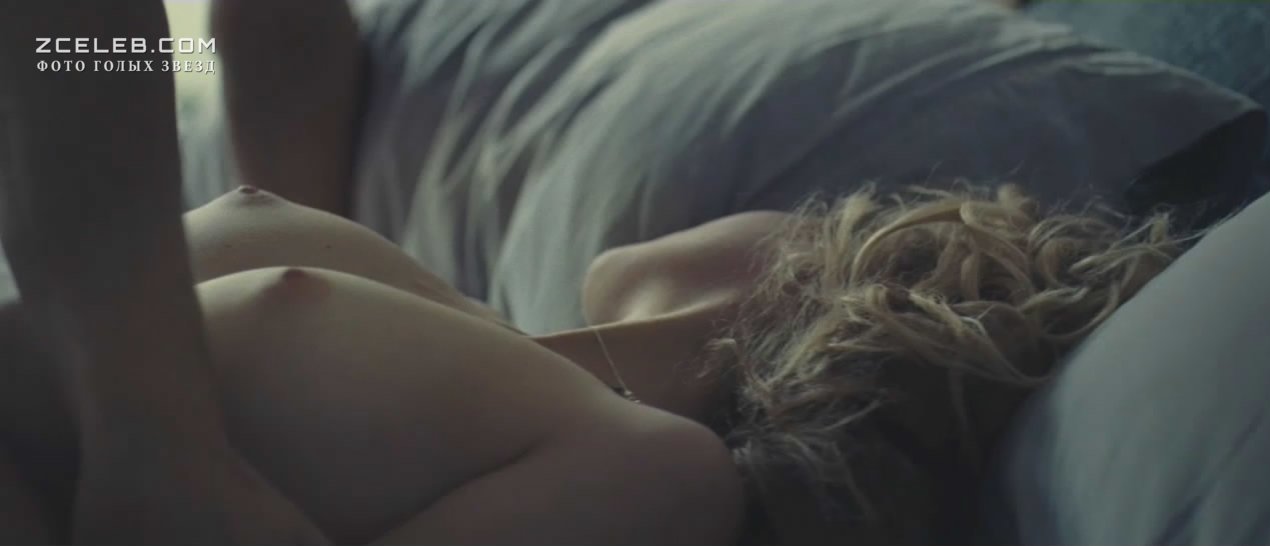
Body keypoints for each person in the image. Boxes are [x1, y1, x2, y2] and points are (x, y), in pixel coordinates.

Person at [0, 1, 1187, 544]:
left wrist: (156, 451)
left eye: (858, 217)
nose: (820, 203)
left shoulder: (658, 474)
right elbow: (75, 41)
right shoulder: (470, 341)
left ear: (841, 300)